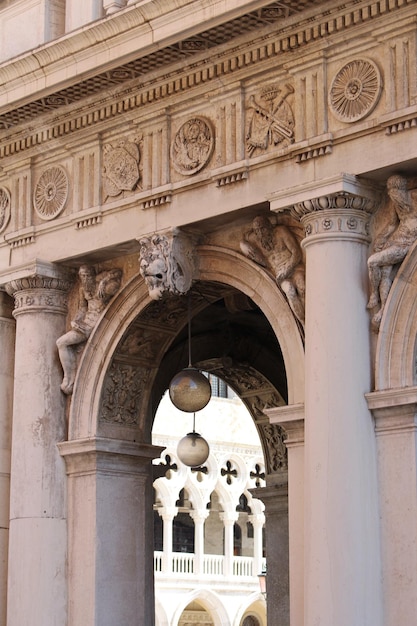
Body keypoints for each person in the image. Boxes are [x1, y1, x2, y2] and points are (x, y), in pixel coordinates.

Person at [57, 264, 122, 394]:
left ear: (93, 276)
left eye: (87, 276)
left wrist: (104, 281)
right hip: (85, 325)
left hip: (98, 325)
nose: (85, 279)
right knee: (61, 342)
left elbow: (118, 272)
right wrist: (76, 321)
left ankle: (70, 379)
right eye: (82, 276)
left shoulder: (104, 287)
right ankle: (69, 378)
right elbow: (82, 308)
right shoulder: (83, 290)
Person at [367, 175, 417, 328]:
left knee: (373, 262)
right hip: (394, 241)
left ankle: (379, 303)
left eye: (394, 190)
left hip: (404, 245)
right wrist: (380, 240)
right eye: (389, 191)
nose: (391, 194)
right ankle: (379, 302)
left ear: (402, 188)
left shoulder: (414, 198)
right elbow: (391, 224)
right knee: (383, 271)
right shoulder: (395, 204)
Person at [240, 215, 305, 324]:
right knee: (289, 291)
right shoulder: (256, 239)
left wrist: (287, 269)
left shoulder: (281, 231)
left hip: (295, 268)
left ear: (270, 226)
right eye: (257, 230)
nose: (261, 233)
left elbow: (296, 253)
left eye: (263, 228)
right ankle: (303, 322)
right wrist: (243, 246)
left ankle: (312, 322)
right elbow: (243, 242)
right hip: (280, 275)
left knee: (302, 286)